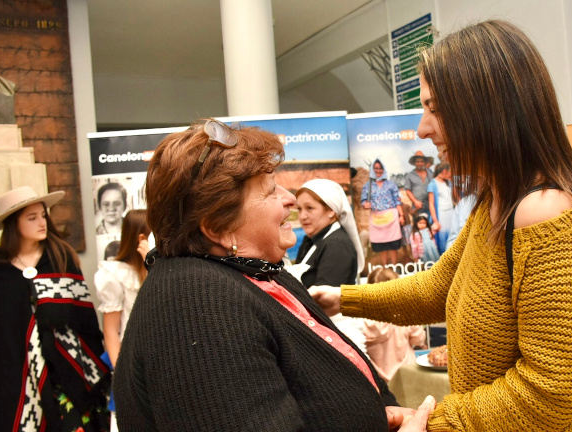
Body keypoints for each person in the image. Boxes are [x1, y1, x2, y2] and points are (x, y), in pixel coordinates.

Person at [311, 20, 572, 431]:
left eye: (435, 109)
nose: (422, 128)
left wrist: (434, 422)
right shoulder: (496, 202)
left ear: (487, 107)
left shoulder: (543, 212)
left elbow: (552, 390)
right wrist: (343, 298)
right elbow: (439, 287)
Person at [113, 118, 433, 431]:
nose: (290, 198)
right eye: (269, 191)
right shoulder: (195, 305)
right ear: (218, 227)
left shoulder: (259, 272)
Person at [0, 186, 110, 432]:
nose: (42, 222)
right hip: (14, 382)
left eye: (43, 215)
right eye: (32, 218)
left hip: (66, 378)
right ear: (12, 224)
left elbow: (85, 320)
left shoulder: (61, 257)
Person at [94, 209, 151, 431]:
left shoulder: (157, 268)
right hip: (129, 365)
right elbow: (110, 331)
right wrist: (122, 373)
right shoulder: (114, 275)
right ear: (141, 238)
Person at [292, 179, 364, 287]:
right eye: (299, 209)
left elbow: (324, 300)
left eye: (309, 208)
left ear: (331, 210)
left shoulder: (337, 245)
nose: (302, 216)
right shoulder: (311, 241)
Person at [362, 267, 427, 382]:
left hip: (378, 382)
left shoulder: (363, 321)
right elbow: (418, 340)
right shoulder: (405, 315)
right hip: (407, 377)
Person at [361, 158, 404, 266]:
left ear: (383, 169)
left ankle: (394, 267)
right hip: (376, 218)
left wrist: (401, 215)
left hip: (391, 217)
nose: (378, 170)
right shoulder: (368, 185)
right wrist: (366, 205)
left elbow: (397, 200)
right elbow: (363, 201)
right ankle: (384, 269)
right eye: (376, 168)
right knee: (382, 246)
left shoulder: (391, 184)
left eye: (380, 168)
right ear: (372, 169)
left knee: (393, 245)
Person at [427, 163, 454, 253]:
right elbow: (431, 204)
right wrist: (435, 221)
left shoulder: (448, 183)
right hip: (441, 214)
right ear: (444, 171)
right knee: (443, 238)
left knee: (453, 235)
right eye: (450, 171)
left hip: (451, 213)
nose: (451, 174)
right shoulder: (433, 184)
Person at [404, 150, 434, 215]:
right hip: (417, 208)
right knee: (418, 224)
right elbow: (408, 190)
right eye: (417, 162)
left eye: (421, 161)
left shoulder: (431, 174)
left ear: (424, 163)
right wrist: (415, 201)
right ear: (414, 163)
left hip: (430, 207)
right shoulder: (410, 175)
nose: (419, 163)